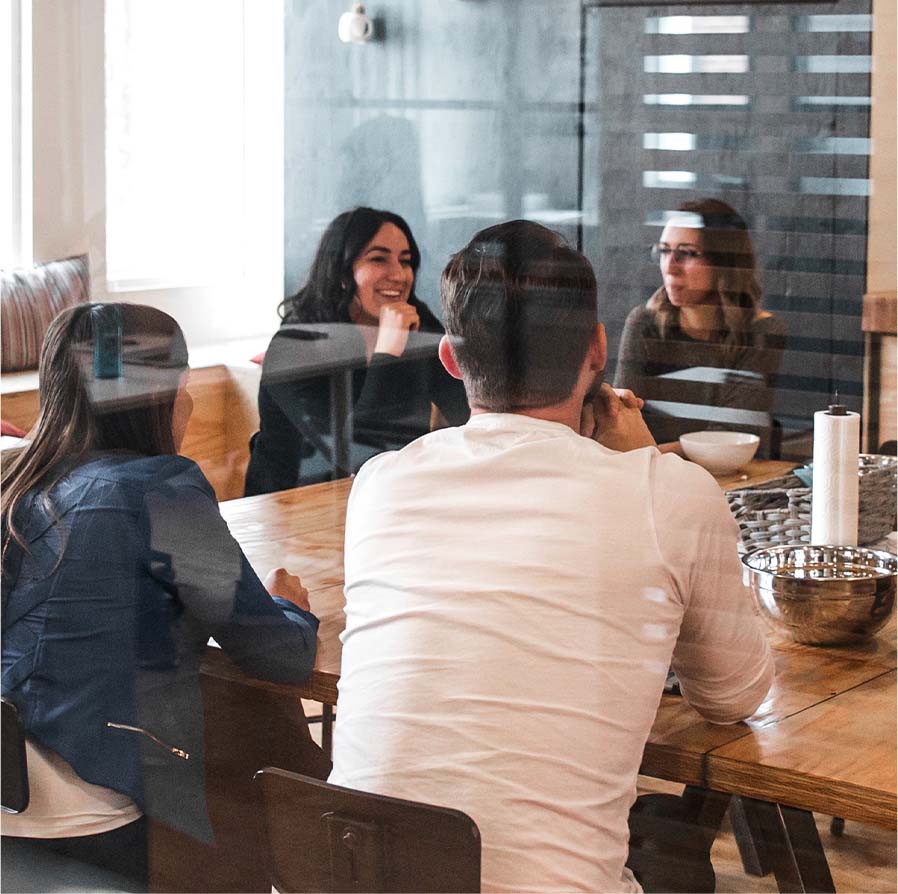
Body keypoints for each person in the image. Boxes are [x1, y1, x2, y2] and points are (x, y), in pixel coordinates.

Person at [329, 221, 775, 892]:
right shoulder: (670, 494)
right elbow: (733, 695)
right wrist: (642, 463)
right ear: (598, 350)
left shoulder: (381, 485)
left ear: (450, 358)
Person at [1, 303, 322, 889]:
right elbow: (278, 654)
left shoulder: (15, 486)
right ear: (161, 396)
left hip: (6, 800)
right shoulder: (159, 491)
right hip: (95, 810)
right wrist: (292, 609)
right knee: (251, 741)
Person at [244, 207, 469, 495]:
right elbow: (358, 455)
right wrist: (388, 352)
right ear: (341, 272)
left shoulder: (417, 323)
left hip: (390, 496)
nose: (399, 275)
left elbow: (469, 409)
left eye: (406, 261)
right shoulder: (295, 345)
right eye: (378, 259)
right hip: (293, 508)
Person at [615, 199, 786, 453]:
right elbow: (620, 423)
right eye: (663, 251)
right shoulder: (645, 323)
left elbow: (730, 439)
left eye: (687, 253)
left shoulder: (761, 332)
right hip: (653, 477)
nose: (670, 267)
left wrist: (642, 454)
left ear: (724, 263)